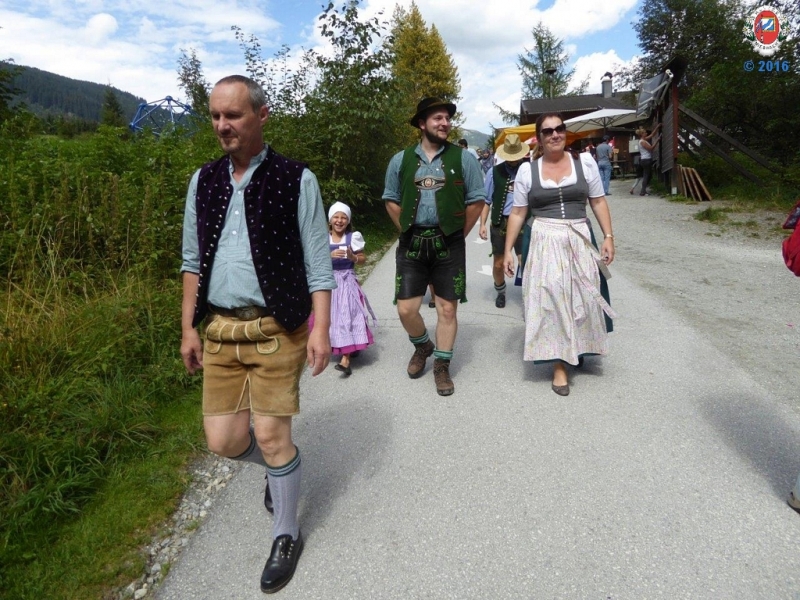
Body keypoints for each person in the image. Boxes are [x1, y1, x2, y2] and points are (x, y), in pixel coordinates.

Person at [179, 75, 335, 594]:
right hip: (220, 329)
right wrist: (188, 328)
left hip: (277, 328)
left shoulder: (296, 179)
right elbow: (191, 261)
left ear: (261, 115)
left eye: (234, 115)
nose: (222, 125)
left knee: (270, 435)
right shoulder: (203, 180)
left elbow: (318, 263)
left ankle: (286, 533)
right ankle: (279, 470)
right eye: (215, 116)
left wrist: (321, 329)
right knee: (223, 442)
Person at [502, 112, 617, 396]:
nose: (555, 134)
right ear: (539, 138)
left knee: (580, 297)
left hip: (579, 237)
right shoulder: (528, 171)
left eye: (559, 129)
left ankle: (576, 347)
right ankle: (559, 365)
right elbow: (518, 212)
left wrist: (608, 237)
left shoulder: (585, 162)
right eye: (548, 131)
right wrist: (507, 250)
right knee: (551, 299)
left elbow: (597, 201)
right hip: (544, 239)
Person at [383, 97, 486, 396]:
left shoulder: (463, 159)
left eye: (447, 118)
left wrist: (458, 233)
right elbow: (390, 198)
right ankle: (422, 345)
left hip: (449, 243)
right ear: (421, 123)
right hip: (412, 242)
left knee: (447, 309)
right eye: (437, 118)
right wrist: (405, 228)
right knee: (406, 309)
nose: (445, 123)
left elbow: (477, 199)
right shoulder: (400, 160)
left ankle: (442, 364)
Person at [326, 201, 376, 377]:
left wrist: (353, 257)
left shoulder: (352, 237)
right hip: (330, 284)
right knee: (333, 319)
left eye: (344, 218)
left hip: (348, 283)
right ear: (330, 220)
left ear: (348, 221)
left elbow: (363, 259)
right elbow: (313, 262)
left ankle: (345, 359)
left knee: (348, 317)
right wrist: (328, 256)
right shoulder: (323, 239)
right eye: (336, 217)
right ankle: (346, 347)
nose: (339, 221)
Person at [478, 134, 528, 308]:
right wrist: (482, 224)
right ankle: (500, 291)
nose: (513, 160)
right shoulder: (494, 172)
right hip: (500, 222)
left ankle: (530, 295)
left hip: (523, 221)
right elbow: (486, 201)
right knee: (499, 263)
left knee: (525, 261)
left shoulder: (528, 170)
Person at [637, 124, 661, 196]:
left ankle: (643, 190)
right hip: (646, 159)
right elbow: (651, 148)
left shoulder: (643, 140)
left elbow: (652, 134)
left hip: (644, 159)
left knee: (647, 175)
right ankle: (643, 191)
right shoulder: (643, 142)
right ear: (642, 134)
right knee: (647, 175)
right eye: (645, 132)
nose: (646, 133)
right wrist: (657, 140)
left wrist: (657, 127)